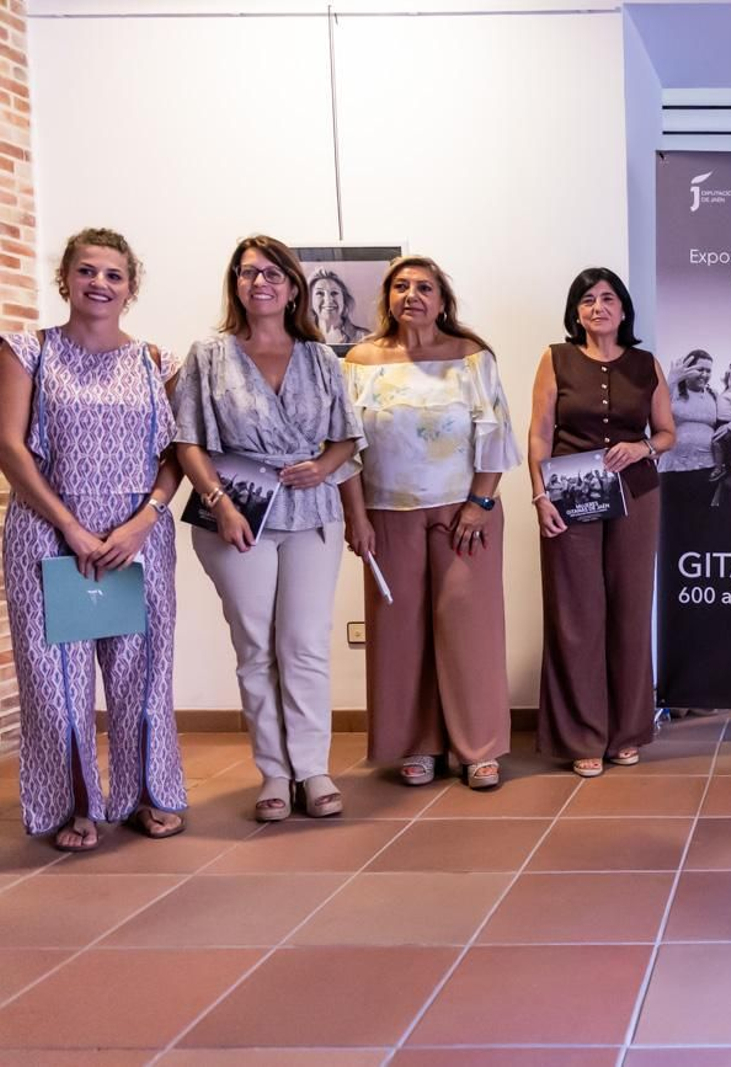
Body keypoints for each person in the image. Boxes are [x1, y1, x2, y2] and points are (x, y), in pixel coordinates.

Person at [0, 228, 186, 850]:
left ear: (130, 288)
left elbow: (178, 454)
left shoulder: (157, 362)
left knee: (143, 676)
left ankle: (146, 796)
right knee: (56, 684)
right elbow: (9, 447)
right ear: (65, 279)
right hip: (47, 536)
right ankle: (73, 806)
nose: (99, 283)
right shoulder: (28, 351)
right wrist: (71, 527)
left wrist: (144, 520)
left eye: (113, 274)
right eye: (86, 271)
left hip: (136, 539)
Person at [172, 236, 364, 822]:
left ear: (293, 287)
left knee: (304, 644)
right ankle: (275, 773)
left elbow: (347, 439)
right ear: (235, 284)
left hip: (311, 515)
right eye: (248, 272)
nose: (260, 282)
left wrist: (324, 468)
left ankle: (313, 768)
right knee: (255, 647)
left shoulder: (320, 357)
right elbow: (187, 440)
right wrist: (220, 502)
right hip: (237, 516)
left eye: (273, 273)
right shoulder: (209, 355)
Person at [338, 256, 520, 790]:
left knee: (470, 629)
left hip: (464, 513)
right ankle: (416, 744)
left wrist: (479, 503)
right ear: (387, 298)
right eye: (401, 286)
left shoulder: (471, 357)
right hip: (386, 514)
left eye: (424, 287)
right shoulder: (359, 361)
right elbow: (343, 446)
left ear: (442, 301)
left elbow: (495, 435)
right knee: (399, 632)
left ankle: (478, 748)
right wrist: (356, 517)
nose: (411, 295)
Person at [529, 267, 675, 777]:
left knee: (631, 611)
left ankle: (627, 732)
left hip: (636, 494)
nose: (599, 307)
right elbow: (540, 432)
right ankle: (582, 736)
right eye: (588, 299)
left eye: (609, 298)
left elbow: (667, 433)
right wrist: (540, 495)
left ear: (624, 309)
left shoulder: (645, 363)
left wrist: (642, 447)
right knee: (577, 614)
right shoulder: (555, 359)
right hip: (570, 495)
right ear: (576, 312)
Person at [658, 349, 717, 508]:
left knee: (699, 517)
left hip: (705, 468)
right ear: (687, 369)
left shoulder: (713, 395)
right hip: (673, 469)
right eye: (700, 369)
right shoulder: (673, 391)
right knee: (674, 516)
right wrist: (672, 381)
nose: (705, 374)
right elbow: (654, 411)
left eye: (708, 371)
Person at [307, 269, 371, 345]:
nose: (328, 300)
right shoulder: (301, 338)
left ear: (344, 299)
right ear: (310, 300)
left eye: (334, 293)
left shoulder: (365, 337)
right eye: (320, 293)